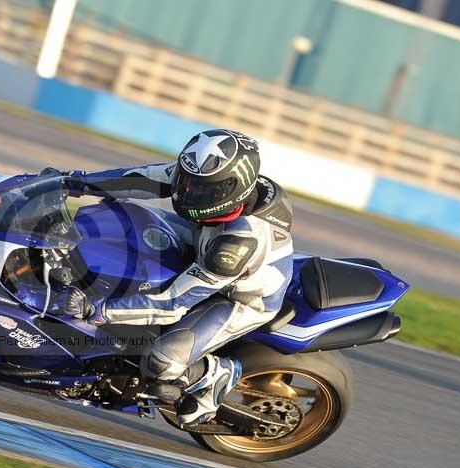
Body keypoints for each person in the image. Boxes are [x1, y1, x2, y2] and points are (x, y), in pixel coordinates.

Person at [57, 129, 294, 426]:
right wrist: (74, 181)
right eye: (186, 180)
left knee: (163, 361)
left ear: (234, 190)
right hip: (204, 241)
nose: (187, 192)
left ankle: (214, 375)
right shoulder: (213, 184)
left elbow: (173, 304)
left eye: (201, 189)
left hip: (239, 298)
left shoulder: (236, 245)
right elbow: (141, 179)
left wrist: (98, 310)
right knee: (127, 215)